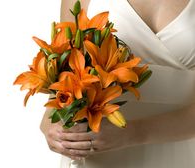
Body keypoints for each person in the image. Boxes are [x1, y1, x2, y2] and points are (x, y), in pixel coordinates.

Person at [40, 0, 195, 167]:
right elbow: (61, 73)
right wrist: (53, 127)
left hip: (181, 152)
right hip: (98, 154)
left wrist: (132, 133)